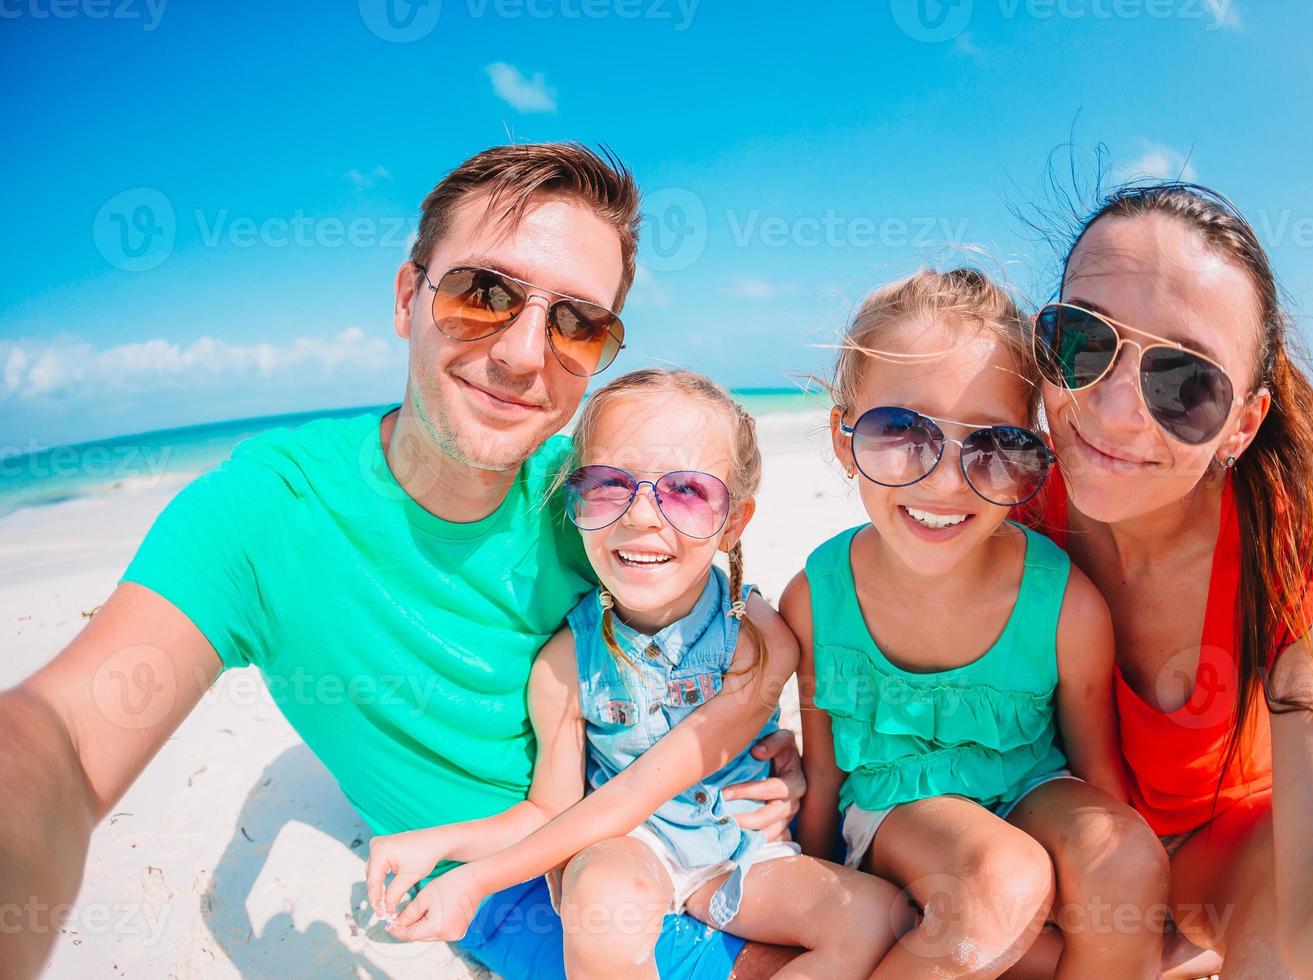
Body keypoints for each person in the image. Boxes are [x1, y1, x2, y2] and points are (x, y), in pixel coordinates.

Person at [0, 143, 804, 980]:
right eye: (484, 294)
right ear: (406, 297)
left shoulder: (597, 498)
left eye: (575, 322)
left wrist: (751, 743)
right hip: (525, 893)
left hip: (691, 831)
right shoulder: (267, 516)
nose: (526, 353)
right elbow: (60, 741)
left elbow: (715, 627)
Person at [1018, 181, 1313, 978]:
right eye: (1081, 341)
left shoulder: (1287, 568)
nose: (1116, 408)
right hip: (1066, 856)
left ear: (1244, 424)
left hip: (1219, 866)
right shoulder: (1007, 503)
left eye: (1184, 385)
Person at [365, 368, 905, 977]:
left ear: (732, 521)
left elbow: (644, 785)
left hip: (741, 851)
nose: (642, 515)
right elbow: (550, 811)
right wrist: (442, 843)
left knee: (876, 918)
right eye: (608, 484)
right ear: (575, 502)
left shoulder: (759, 641)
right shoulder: (564, 665)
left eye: (687, 491)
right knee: (600, 893)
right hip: (635, 851)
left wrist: (476, 881)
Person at [784, 267, 1169, 978]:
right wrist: (815, 892)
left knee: (1127, 863)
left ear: (1033, 460)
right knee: (1003, 878)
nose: (945, 479)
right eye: (901, 429)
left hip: (1031, 788)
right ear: (845, 441)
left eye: (994, 445)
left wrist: (1097, 890)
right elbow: (824, 775)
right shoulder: (817, 598)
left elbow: (1097, 775)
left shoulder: (1066, 609)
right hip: (896, 809)